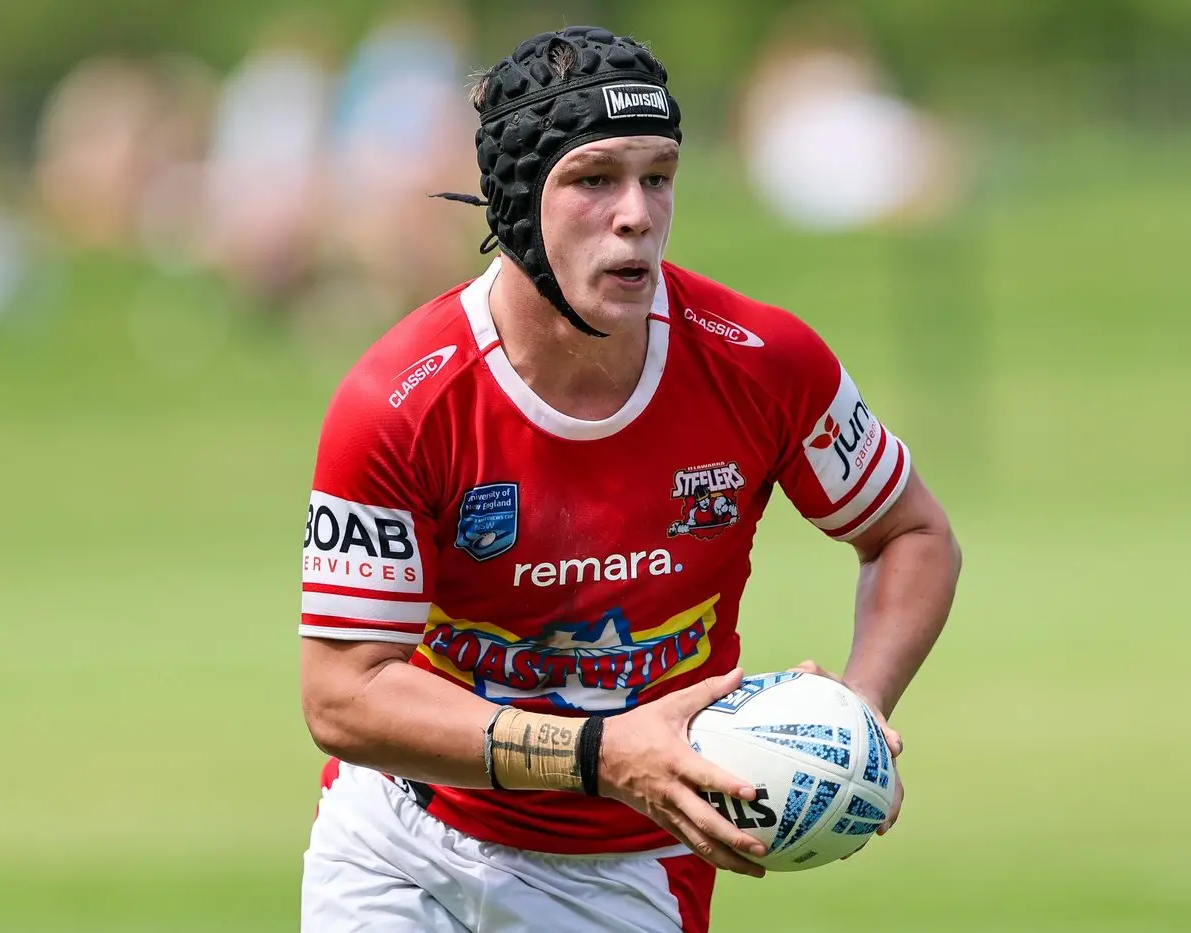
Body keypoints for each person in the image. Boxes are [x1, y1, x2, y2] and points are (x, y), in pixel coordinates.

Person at [298, 25, 961, 933]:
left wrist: (858, 707)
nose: (636, 213)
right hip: (403, 845)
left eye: (658, 176)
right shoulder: (400, 401)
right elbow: (344, 695)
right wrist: (600, 753)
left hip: (632, 870)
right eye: (594, 178)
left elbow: (911, 533)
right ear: (518, 196)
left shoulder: (765, 363)